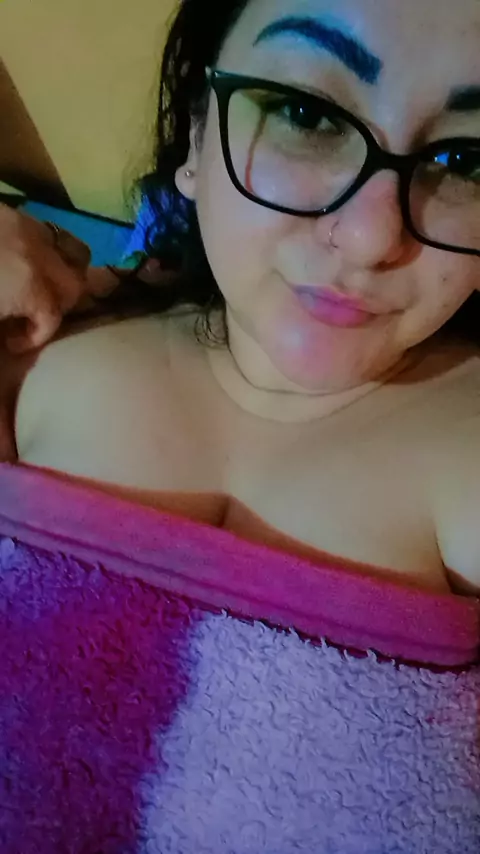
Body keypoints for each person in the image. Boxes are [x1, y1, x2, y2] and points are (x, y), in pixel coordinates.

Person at [1, 0, 479, 596]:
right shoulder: (32, 341)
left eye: (466, 161)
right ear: (198, 134)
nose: (370, 239)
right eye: (307, 115)